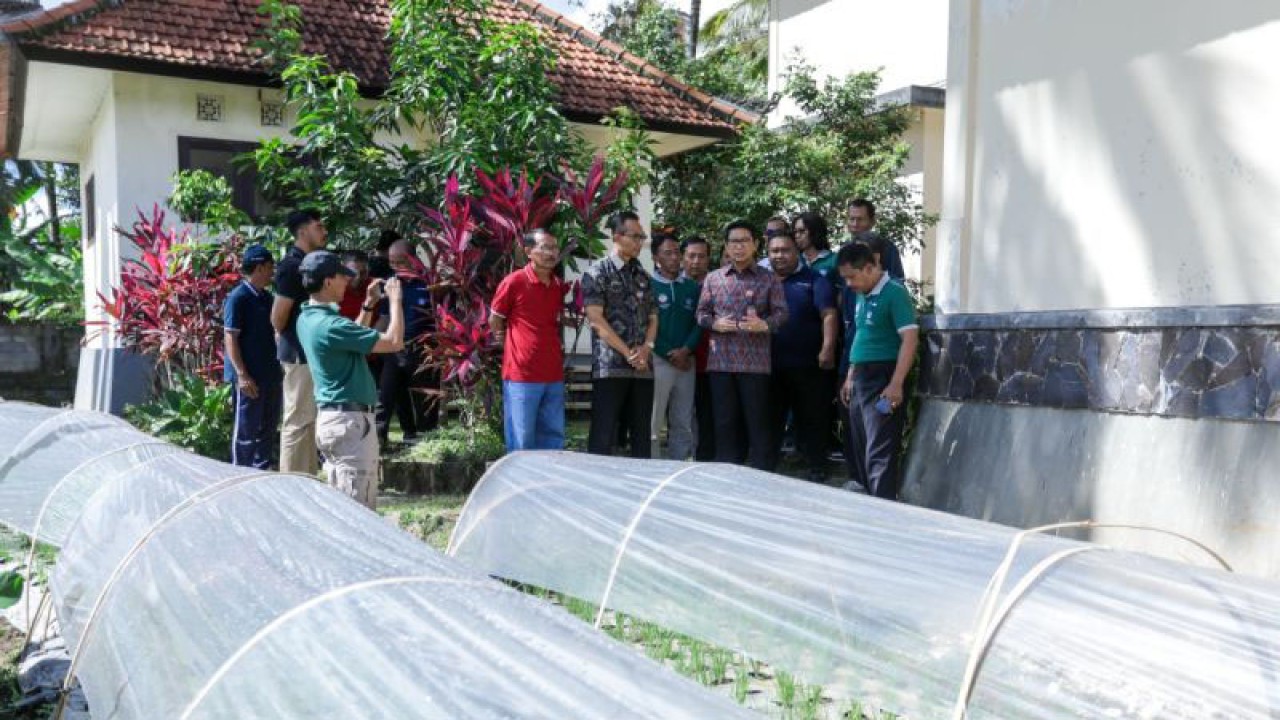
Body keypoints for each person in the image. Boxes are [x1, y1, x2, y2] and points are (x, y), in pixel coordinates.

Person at [295, 250, 405, 510]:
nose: (348, 281)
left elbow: (352, 340)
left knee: (343, 507)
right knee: (358, 511)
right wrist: (395, 301)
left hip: (335, 420)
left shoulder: (307, 318)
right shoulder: (330, 325)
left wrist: (368, 305)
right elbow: (394, 342)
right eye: (342, 276)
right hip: (350, 423)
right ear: (327, 282)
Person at [696, 220, 788, 469]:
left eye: (744, 241)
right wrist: (715, 323)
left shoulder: (769, 279)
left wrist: (764, 324)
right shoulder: (714, 278)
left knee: (758, 423)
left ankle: (761, 474)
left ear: (755, 244)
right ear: (726, 246)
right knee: (724, 423)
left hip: (755, 364)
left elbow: (782, 314)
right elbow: (701, 314)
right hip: (721, 363)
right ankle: (727, 473)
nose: (739, 247)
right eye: (734, 242)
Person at [836, 242, 918, 500]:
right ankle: (866, 501)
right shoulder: (862, 293)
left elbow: (909, 339)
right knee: (860, 443)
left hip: (883, 377)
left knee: (879, 446)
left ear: (870, 268)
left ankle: (883, 505)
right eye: (845, 278)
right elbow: (862, 335)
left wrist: (896, 383)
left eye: (852, 276)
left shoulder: (894, 292)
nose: (849, 284)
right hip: (860, 377)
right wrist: (851, 375)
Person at [582, 210, 658, 458]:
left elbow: (653, 318)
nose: (640, 242)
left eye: (642, 237)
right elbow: (596, 320)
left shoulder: (643, 276)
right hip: (610, 366)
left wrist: (646, 348)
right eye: (635, 236)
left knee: (641, 434)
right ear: (617, 236)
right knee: (604, 433)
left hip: (643, 367)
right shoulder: (597, 273)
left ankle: (641, 480)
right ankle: (598, 480)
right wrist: (628, 353)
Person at [766, 230, 838, 480]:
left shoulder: (815, 279)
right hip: (769, 364)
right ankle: (767, 468)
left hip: (808, 364)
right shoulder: (763, 280)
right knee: (770, 418)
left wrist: (827, 347)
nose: (780, 255)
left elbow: (829, 314)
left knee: (813, 416)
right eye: (774, 251)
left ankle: (817, 467)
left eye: (785, 250)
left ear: (797, 251)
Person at [490, 229, 568, 451]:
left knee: (553, 438)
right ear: (528, 251)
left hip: (553, 373)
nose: (551, 253)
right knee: (521, 440)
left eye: (555, 248)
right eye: (545, 247)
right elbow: (495, 319)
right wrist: (505, 342)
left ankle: (548, 476)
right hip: (521, 374)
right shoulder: (513, 282)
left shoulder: (557, 285)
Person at [272, 209, 327, 475]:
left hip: (310, 353)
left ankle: (307, 478)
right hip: (297, 352)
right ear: (303, 231)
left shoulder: (310, 263)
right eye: (319, 227)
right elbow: (277, 317)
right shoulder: (291, 266)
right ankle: (291, 483)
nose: (324, 232)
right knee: (297, 420)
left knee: (310, 419)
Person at [223, 245, 282, 469]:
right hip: (249, 377)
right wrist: (242, 374)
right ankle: (240, 473)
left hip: (270, 374)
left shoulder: (268, 298)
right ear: (259, 268)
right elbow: (231, 336)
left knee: (268, 427)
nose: (272, 272)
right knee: (246, 429)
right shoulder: (238, 298)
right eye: (269, 267)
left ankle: (261, 471)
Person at [376, 238, 438, 444]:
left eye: (400, 261)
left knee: (425, 398)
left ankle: (428, 441)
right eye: (391, 262)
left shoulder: (430, 283)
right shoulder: (390, 284)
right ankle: (380, 441)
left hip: (424, 349)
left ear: (413, 259)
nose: (396, 267)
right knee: (387, 395)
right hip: (395, 348)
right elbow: (384, 317)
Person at [649, 231, 702, 460]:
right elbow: (646, 325)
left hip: (686, 362)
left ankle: (678, 464)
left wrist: (686, 350)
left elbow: (700, 322)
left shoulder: (691, 287)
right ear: (655, 257)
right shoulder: (648, 285)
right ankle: (652, 465)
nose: (674, 257)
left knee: (682, 419)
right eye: (667, 253)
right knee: (654, 418)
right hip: (658, 360)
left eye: (676, 252)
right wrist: (668, 353)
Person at [680, 236, 717, 462]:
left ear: (708, 258)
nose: (696, 261)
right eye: (691, 256)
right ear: (682, 257)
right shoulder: (674, 284)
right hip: (678, 361)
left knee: (707, 413)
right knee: (680, 414)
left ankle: (705, 459)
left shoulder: (718, 283)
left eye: (701, 256)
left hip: (709, 362)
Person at [793, 212, 836, 277]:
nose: (797, 236)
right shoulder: (795, 260)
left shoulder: (834, 260)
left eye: (802, 231)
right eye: (795, 232)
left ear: (815, 231)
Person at [337, 249, 372, 321]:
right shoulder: (333, 288)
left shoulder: (372, 285)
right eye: (353, 272)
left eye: (363, 272)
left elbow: (383, 318)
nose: (358, 277)